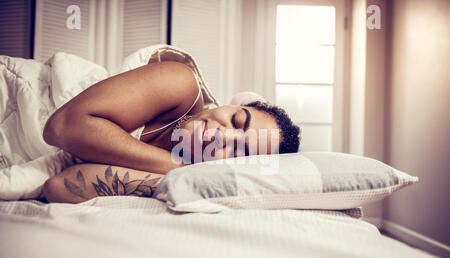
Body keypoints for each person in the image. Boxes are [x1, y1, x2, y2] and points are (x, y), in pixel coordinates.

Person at [42, 61, 300, 203]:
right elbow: (61, 127)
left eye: (238, 151)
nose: (224, 136)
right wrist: (178, 167)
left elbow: (60, 187)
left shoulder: (184, 170)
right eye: (236, 120)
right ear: (231, 104)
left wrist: (183, 175)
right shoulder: (180, 83)